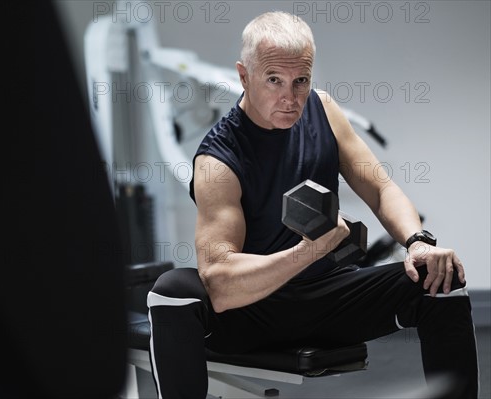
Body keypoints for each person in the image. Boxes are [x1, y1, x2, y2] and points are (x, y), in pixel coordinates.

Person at [147, 11, 479, 399]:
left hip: (329, 298)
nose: (290, 98)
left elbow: (380, 188)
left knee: (442, 278)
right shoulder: (218, 161)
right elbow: (220, 282)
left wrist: (418, 242)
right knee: (174, 289)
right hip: (253, 311)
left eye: (300, 81)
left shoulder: (322, 110)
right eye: (274, 81)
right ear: (244, 76)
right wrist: (310, 251)